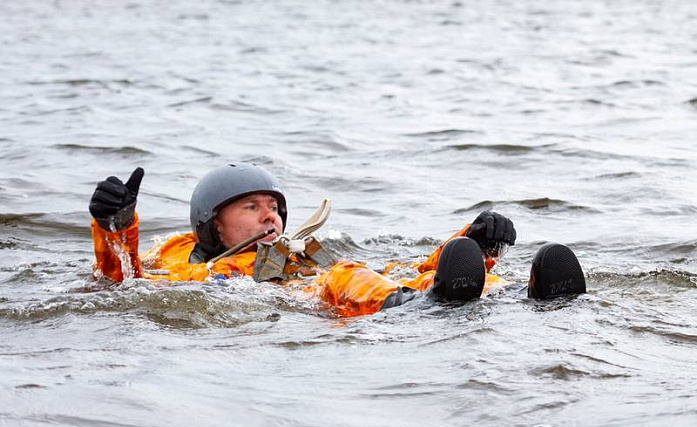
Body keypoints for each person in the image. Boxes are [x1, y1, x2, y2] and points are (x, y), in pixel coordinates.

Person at [88, 164, 586, 317]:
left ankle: (523, 295)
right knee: (347, 276)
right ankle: (425, 305)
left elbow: (395, 269)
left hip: (340, 284)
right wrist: (114, 224)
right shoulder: (178, 261)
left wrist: (474, 243)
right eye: (251, 207)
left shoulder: (291, 252)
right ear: (211, 224)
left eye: (275, 207)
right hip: (305, 296)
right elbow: (122, 278)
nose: (272, 217)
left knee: (392, 271)